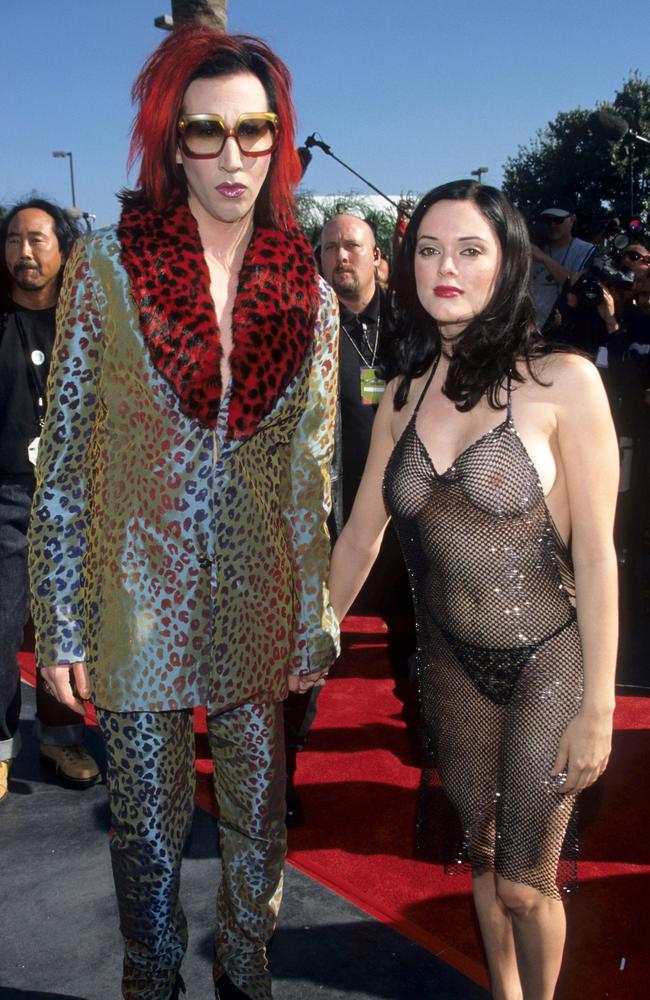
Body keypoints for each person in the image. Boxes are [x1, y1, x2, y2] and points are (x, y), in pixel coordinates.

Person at [29, 25, 338, 1000]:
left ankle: (247, 974)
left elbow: (308, 477)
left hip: (257, 591)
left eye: (255, 129)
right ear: (173, 145)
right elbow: (68, 463)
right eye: (207, 133)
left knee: (257, 818)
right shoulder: (107, 269)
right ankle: (151, 981)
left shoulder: (307, 288)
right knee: (149, 828)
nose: (234, 155)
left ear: (279, 139)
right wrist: (62, 616)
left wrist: (310, 617)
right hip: (135, 598)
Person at [328, 179, 618, 1000]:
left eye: (468, 250)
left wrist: (599, 704)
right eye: (427, 249)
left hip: (547, 664)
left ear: (508, 265)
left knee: (529, 881)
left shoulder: (563, 383)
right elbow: (359, 539)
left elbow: (596, 556)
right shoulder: (402, 396)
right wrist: (306, 635)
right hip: (449, 666)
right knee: (484, 864)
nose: (443, 267)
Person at [0, 198, 99, 803]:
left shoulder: (90, 326)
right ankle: (1, 746)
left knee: (73, 625)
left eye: (37, 240)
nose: (24, 252)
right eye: (13, 240)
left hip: (81, 501)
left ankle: (63, 739)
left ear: (64, 249)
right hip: (8, 494)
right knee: (1, 622)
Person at [529, 206, 594, 329]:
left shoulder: (586, 251)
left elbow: (577, 286)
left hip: (564, 330)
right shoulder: (536, 246)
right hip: (531, 328)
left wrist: (543, 258)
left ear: (572, 220)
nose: (552, 225)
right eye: (547, 220)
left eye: (558, 220)